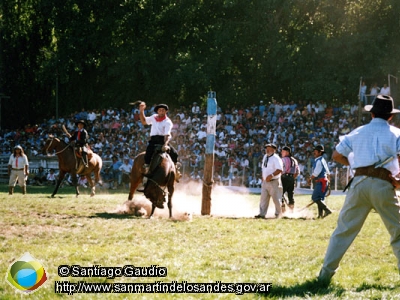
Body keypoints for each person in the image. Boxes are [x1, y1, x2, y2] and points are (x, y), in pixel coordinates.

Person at [317, 95, 400, 285]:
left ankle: (324, 275)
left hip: (359, 183)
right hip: (383, 183)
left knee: (343, 231)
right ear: (390, 116)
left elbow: (337, 155)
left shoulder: (357, 132)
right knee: (398, 231)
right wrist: (398, 181)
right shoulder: (396, 134)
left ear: (371, 113)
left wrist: (355, 166)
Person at [139, 102, 181, 181]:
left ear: (166, 111)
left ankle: (176, 171)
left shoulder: (168, 121)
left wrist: (165, 144)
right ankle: (147, 168)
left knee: (174, 154)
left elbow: (167, 135)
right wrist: (141, 111)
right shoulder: (153, 117)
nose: (161, 111)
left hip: (163, 140)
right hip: (153, 140)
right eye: (160, 110)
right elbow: (144, 121)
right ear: (157, 111)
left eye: (163, 110)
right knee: (148, 153)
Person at [255, 143, 283, 219]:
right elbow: (263, 168)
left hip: (274, 181)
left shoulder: (276, 158)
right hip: (265, 181)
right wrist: (263, 176)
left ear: (273, 150)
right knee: (263, 198)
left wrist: (271, 175)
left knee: (276, 198)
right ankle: (262, 213)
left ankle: (278, 213)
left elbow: (280, 169)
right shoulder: (265, 157)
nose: (267, 150)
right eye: (266, 148)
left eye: (269, 148)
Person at [310, 144, 332, 219]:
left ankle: (327, 210)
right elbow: (328, 172)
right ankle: (320, 215)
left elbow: (316, 173)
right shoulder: (322, 160)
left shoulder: (319, 161)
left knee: (315, 197)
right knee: (320, 198)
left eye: (315, 151)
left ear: (319, 152)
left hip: (321, 182)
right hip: (324, 181)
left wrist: (310, 178)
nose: (314, 153)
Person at [281, 146, 300, 211]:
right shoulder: (294, 160)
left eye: (283, 151)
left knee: (280, 193)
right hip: (292, 178)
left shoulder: (283, 160)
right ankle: (292, 210)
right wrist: (292, 178)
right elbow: (297, 172)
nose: (281, 153)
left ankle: (283, 209)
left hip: (284, 177)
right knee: (290, 195)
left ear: (287, 152)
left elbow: (281, 170)